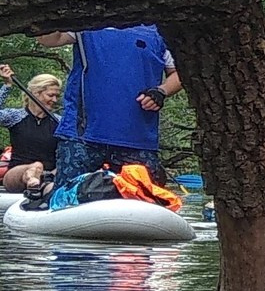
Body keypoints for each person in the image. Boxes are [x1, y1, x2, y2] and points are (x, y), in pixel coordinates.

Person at [40, 25, 180, 183]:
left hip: (136, 137)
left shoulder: (161, 29)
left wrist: (161, 91)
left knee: (142, 199)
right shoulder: (85, 20)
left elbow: (180, 72)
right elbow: (49, 39)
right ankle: (44, 192)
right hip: (81, 135)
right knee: (67, 195)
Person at [0, 62, 62, 191]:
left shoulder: (59, 122)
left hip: (48, 176)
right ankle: (33, 182)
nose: (54, 100)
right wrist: (7, 85)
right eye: (50, 95)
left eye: (56, 96)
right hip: (16, 174)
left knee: (51, 170)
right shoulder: (16, 117)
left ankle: (43, 187)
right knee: (36, 166)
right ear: (36, 94)